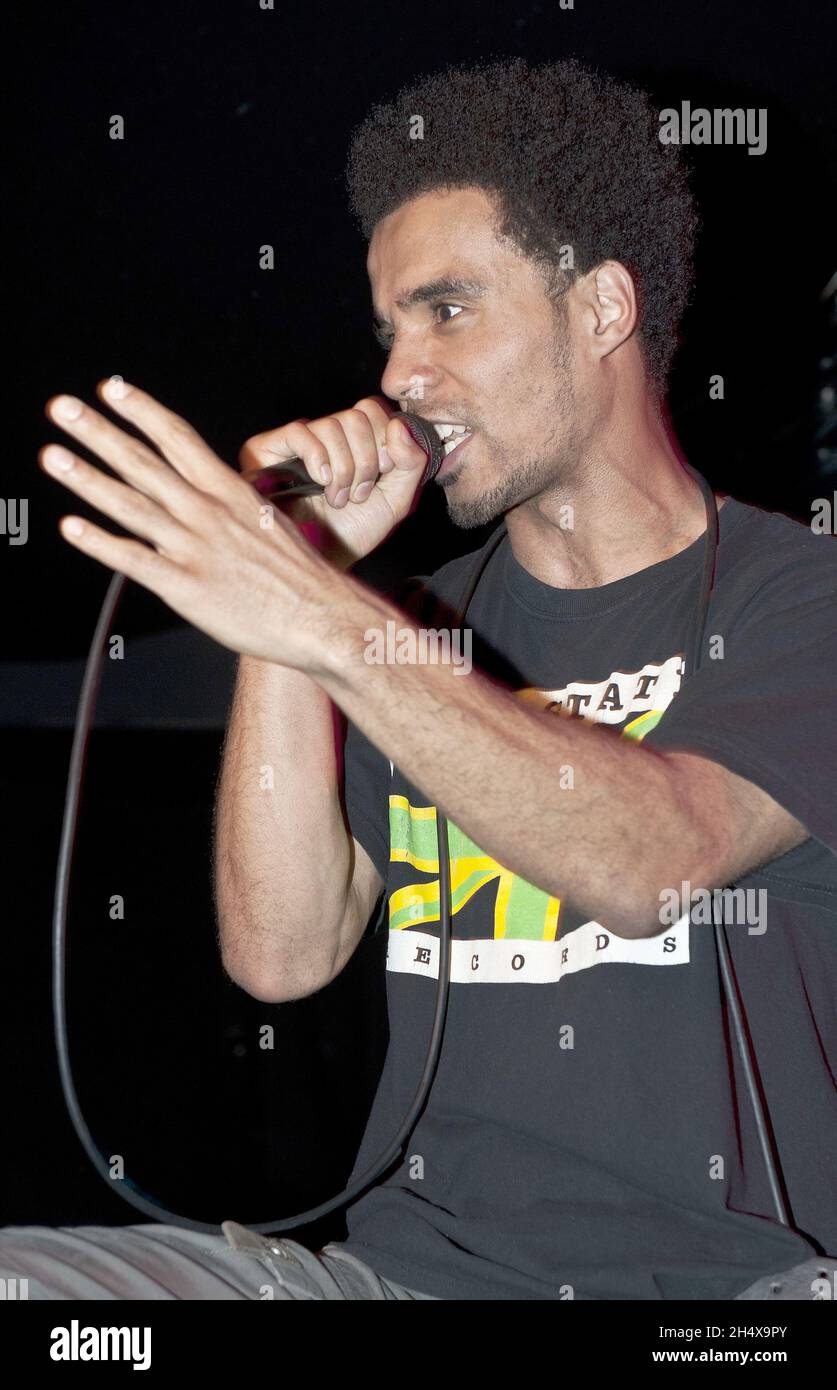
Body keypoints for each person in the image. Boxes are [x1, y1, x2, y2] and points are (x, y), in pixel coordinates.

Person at [5, 58, 835, 1301]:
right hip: (412, 1285)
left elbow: (653, 857)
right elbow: (281, 954)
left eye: (449, 311)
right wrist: (301, 578)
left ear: (601, 309)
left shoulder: (800, 593)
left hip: (744, 1292)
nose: (400, 375)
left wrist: (327, 619)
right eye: (391, 327)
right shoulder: (414, 628)